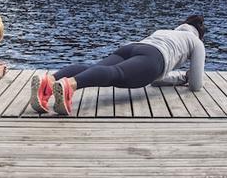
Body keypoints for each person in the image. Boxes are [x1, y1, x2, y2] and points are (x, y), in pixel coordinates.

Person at [30, 15, 206, 116]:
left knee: (93, 67)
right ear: (198, 34)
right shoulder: (196, 42)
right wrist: (186, 77)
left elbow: (156, 79)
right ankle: (70, 86)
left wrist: (178, 77)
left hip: (132, 47)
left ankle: (49, 81)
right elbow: (196, 85)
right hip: (154, 57)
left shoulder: (165, 32)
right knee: (115, 73)